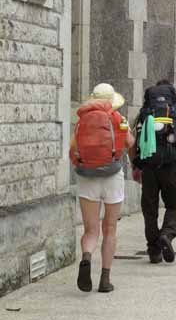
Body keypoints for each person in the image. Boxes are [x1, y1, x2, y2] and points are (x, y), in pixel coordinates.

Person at [70, 83, 135, 293]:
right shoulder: (119, 119)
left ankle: (87, 257)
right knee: (110, 228)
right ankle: (105, 280)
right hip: (113, 176)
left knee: (90, 230)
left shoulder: (81, 122)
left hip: (87, 177)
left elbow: (73, 150)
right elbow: (131, 143)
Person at [130, 80, 176, 264]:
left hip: (149, 168)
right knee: (175, 205)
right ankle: (167, 234)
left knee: (149, 210)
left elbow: (132, 142)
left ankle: (154, 251)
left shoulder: (144, 113)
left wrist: (135, 166)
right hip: (172, 167)